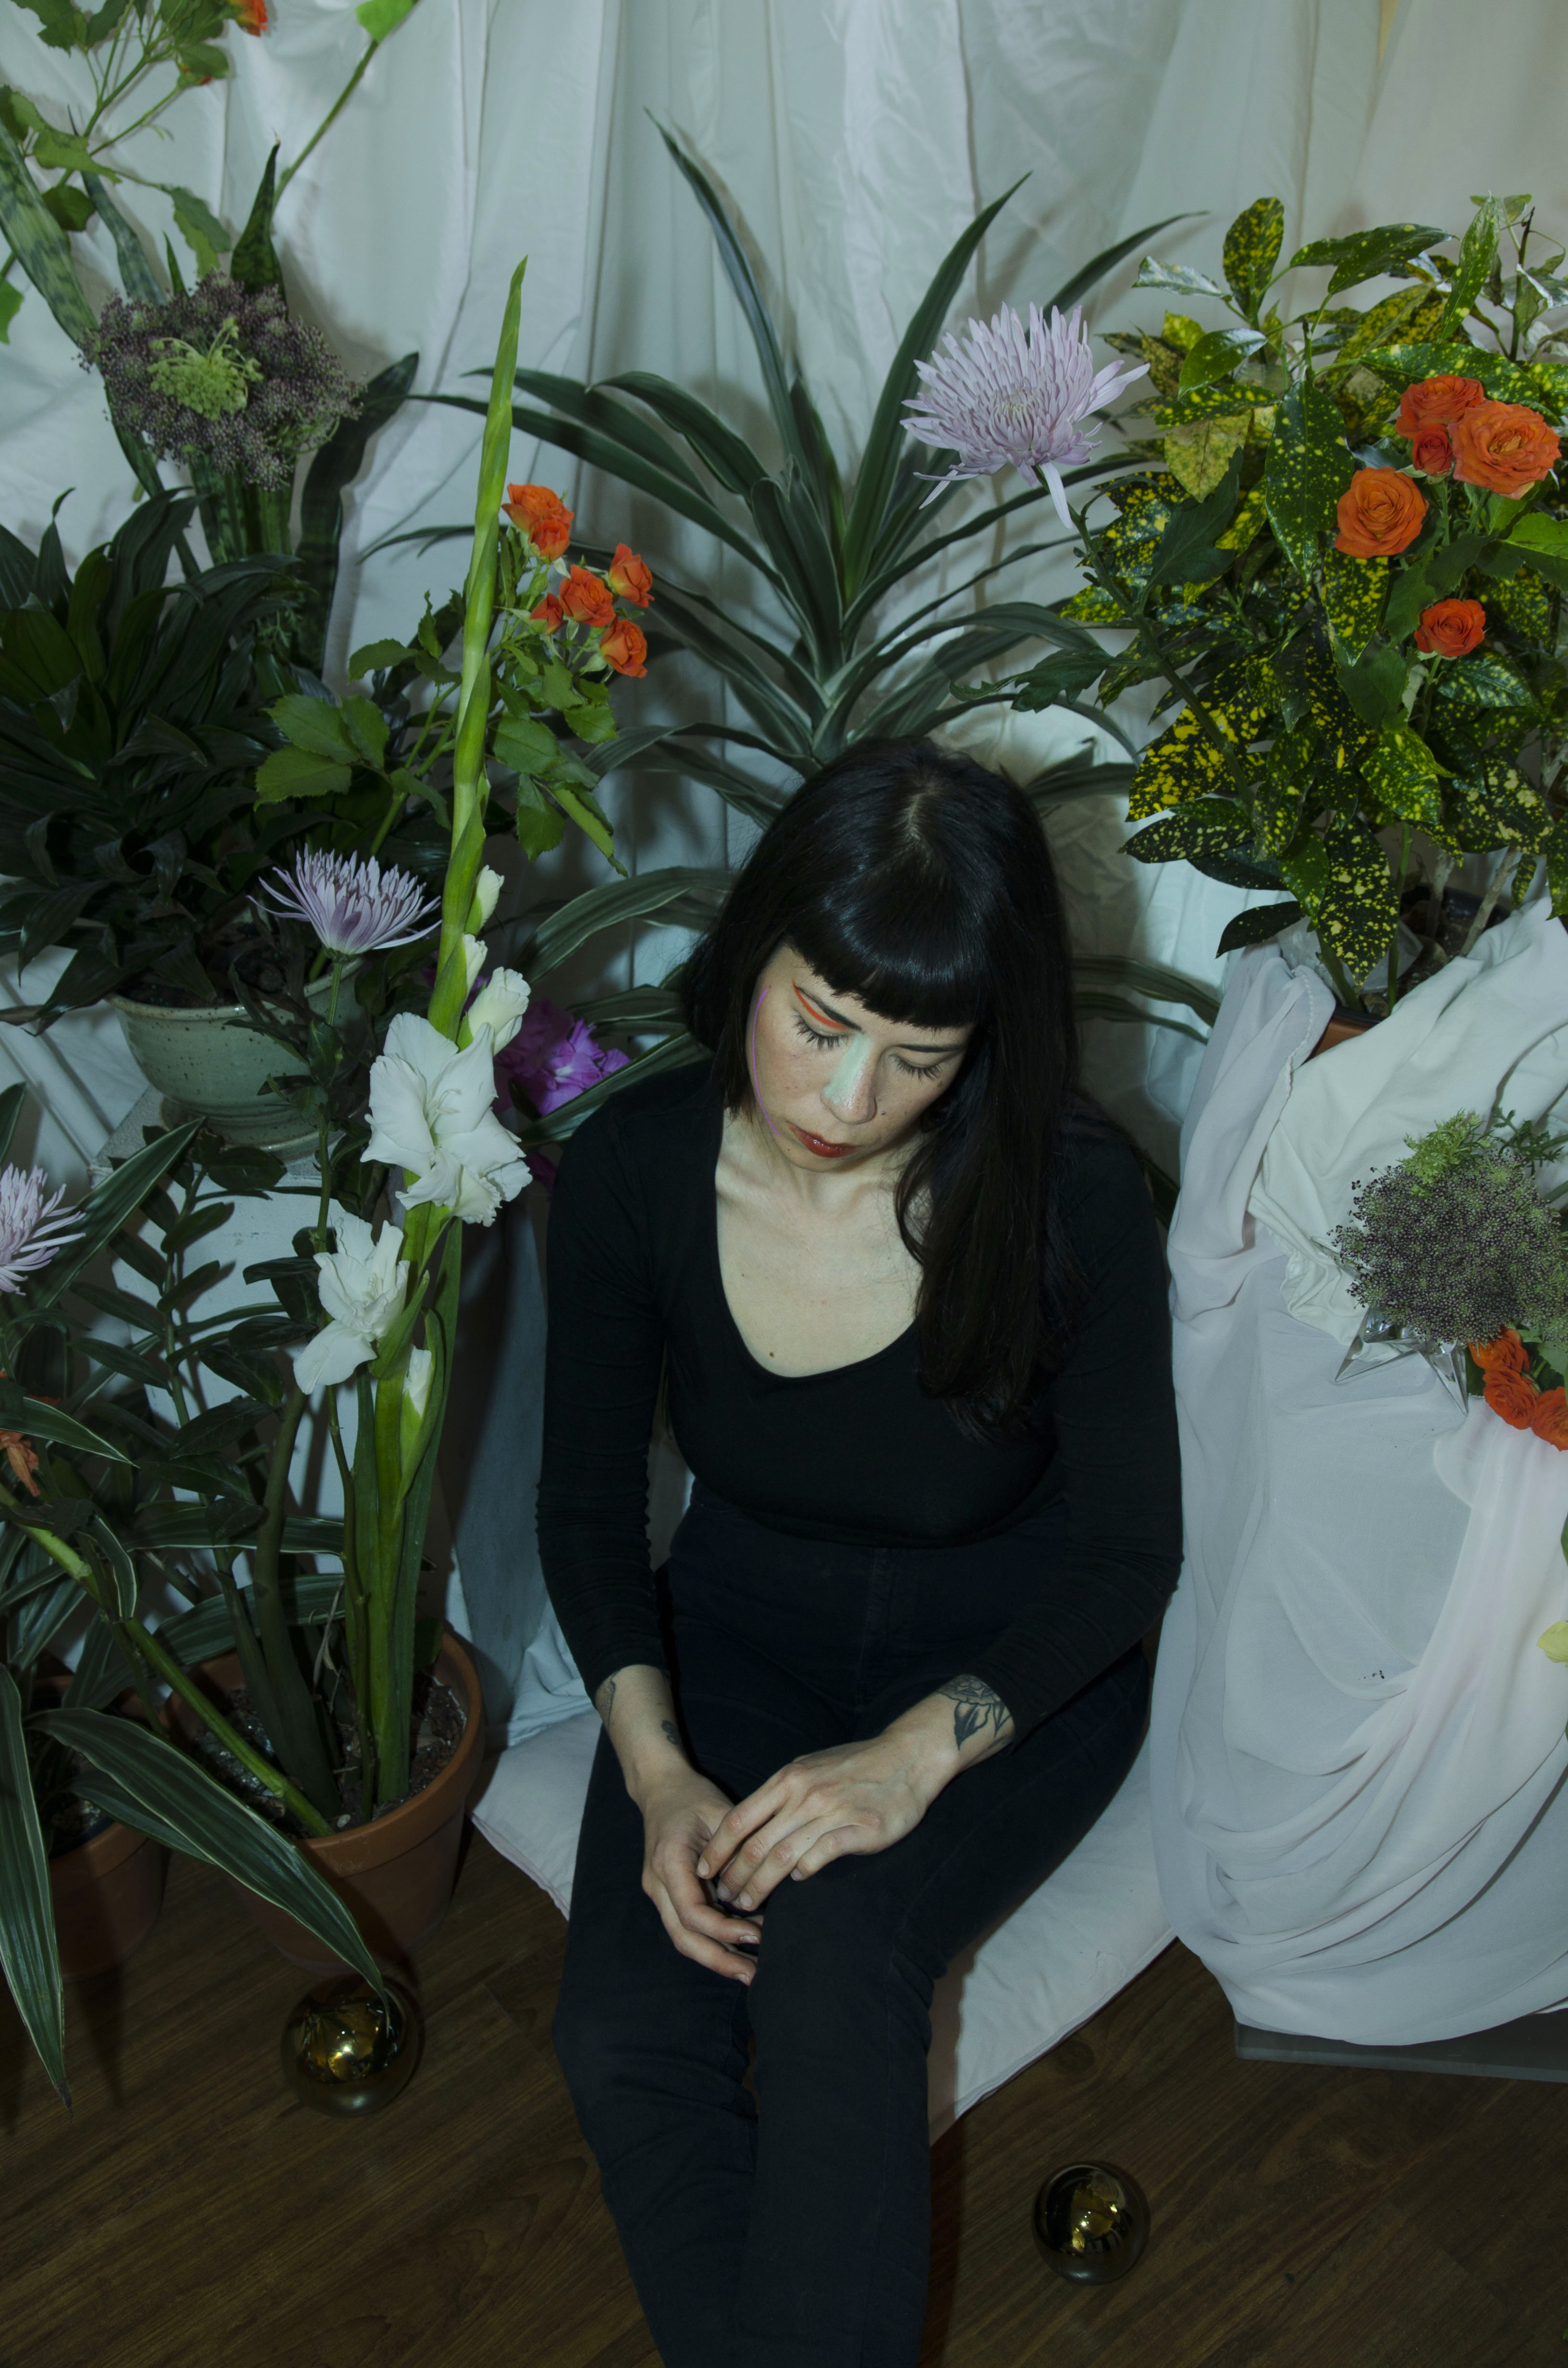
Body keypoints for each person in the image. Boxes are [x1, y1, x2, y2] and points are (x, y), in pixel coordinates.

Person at [538, 739, 1181, 2368]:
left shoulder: (1076, 1198)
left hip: (1014, 1658)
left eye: (917, 1058)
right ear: (754, 954)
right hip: (743, 1629)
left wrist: (912, 1761)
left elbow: (1126, 1559)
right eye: (820, 1026)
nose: (846, 1100)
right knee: (625, 2028)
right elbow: (588, 1507)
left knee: (834, 1962)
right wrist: (659, 1768)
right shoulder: (628, 1171)